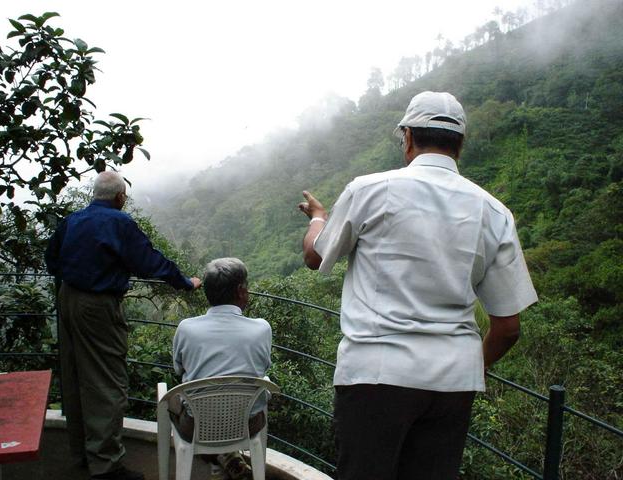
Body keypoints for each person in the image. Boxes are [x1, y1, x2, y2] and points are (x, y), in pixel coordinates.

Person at [297, 91, 538, 480]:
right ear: (459, 145)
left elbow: (314, 256)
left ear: (407, 137)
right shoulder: (493, 211)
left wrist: (318, 219)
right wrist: (472, 365)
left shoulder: (369, 190)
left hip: (375, 376)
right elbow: (508, 327)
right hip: (452, 385)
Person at [45, 171, 201, 480]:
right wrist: (186, 282)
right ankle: (106, 465)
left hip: (67, 298)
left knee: (76, 372)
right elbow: (150, 261)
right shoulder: (120, 223)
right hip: (97, 305)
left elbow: (51, 258)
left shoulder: (73, 220)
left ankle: (83, 453)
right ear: (120, 197)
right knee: (107, 379)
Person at [172, 257, 272, 480]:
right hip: (246, 424)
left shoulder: (186, 328)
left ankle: (221, 460)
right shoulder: (262, 328)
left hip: (197, 426)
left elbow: (178, 370)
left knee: (172, 400)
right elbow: (263, 368)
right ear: (240, 291)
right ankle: (226, 457)